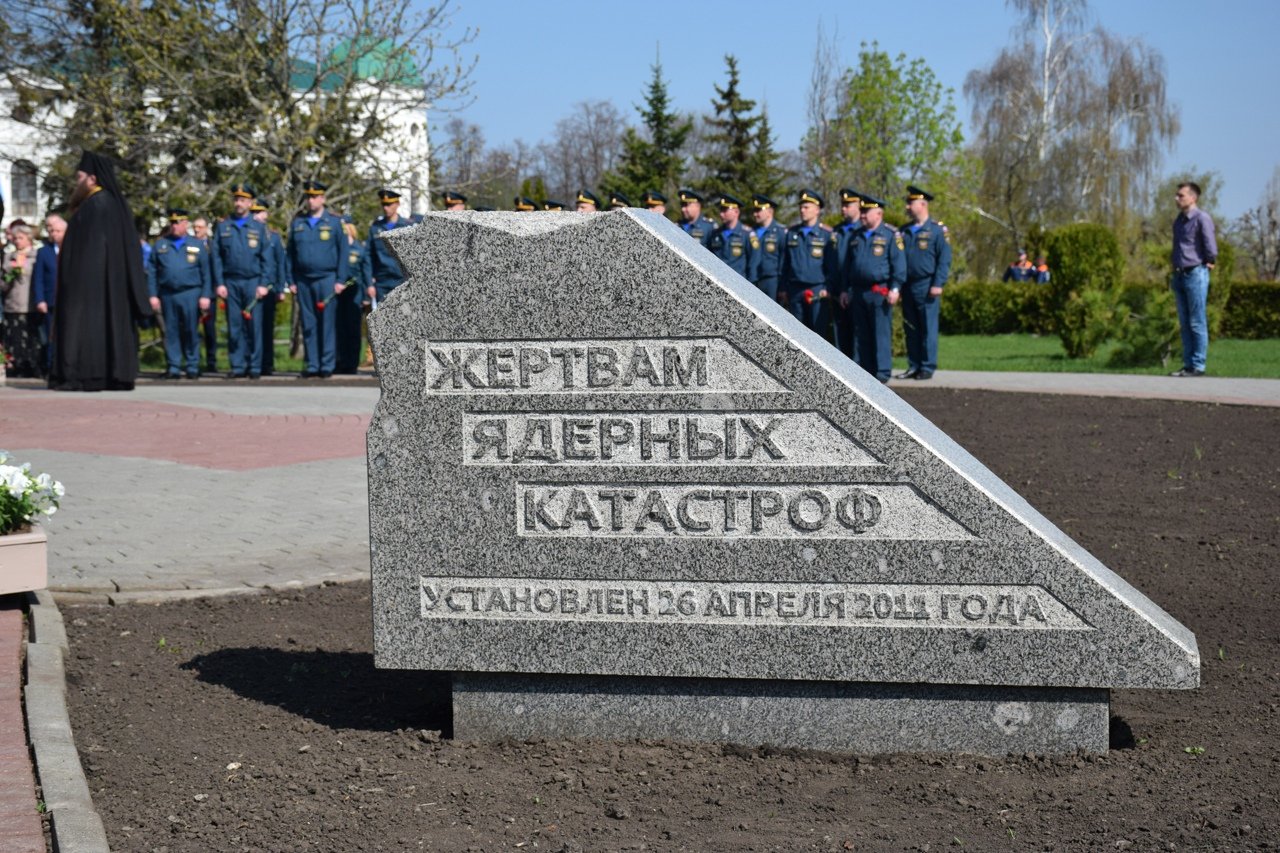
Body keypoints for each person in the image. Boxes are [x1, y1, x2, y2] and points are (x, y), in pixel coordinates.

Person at [48, 151, 153, 391]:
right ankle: (111, 373)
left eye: (80, 177)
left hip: (89, 289)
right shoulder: (106, 204)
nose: (77, 182)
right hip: (105, 287)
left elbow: (89, 253)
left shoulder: (97, 205)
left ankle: (86, 374)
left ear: (92, 179)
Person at [287, 179, 348, 378]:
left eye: (315, 197)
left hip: (327, 279)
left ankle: (326, 365)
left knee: (327, 324)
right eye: (308, 197)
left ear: (322, 198)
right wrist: (291, 280)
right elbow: (290, 255)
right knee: (309, 324)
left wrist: (340, 279)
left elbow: (343, 252)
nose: (311, 201)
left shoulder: (333, 222)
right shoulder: (298, 223)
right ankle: (312, 364)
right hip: (303, 280)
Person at [843, 193, 905, 384]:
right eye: (861, 211)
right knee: (862, 334)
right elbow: (848, 265)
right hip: (859, 292)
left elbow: (899, 264)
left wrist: (895, 288)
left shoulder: (890, 235)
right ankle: (867, 371)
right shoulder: (856, 236)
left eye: (866, 211)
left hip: (880, 292)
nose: (862, 215)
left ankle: (883, 371)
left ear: (879, 213)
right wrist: (846, 289)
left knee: (880, 333)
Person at [210, 182, 270, 379]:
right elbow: (216, 257)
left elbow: (266, 258)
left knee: (254, 326)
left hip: (253, 282)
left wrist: (263, 283)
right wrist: (219, 283)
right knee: (234, 325)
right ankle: (237, 365)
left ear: (250, 203)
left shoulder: (259, 228)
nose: (238, 203)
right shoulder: (223, 226)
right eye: (236, 199)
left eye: (243, 200)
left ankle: (254, 366)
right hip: (231, 282)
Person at [146, 207, 211, 379]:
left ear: (185, 223)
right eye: (172, 222)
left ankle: (192, 365)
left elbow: (206, 272)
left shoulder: (196, 244)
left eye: (178, 222)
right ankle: (173, 365)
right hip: (168, 294)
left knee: (191, 330)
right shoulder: (161, 245)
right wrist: (152, 294)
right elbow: (152, 271)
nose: (174, 226)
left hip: (191, 293)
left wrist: (205, 295)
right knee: (171, 331)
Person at [896, 186, 952, 381]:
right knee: (911, 328)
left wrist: (938, 283)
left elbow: (944, 259)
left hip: (927, 285)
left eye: (910, 203)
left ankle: (927, 367)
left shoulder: (937, 230)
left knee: (927, 328)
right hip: (908, 285)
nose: (907, 206)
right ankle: (914, 365)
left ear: (922, 204)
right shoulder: (903, 231)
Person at [1170, 181, 1218, 377]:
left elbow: (1210, 245)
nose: (1177, 198)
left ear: (1193, 197)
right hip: (1179, 274)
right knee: (1184, 321)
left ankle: (1198, 365)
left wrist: (1210, 260)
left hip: (1195, 272)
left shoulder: (1201, 218)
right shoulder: (1179, 221)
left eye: (1181, 195)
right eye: (1177, 195)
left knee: (1197, 321)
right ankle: (1188, 364)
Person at [780, 189, 839, 340]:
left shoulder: (826, 235)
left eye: (806, 207)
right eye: (801, 207)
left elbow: (832, 266)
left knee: (817, 335)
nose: (802, 210)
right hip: (795, 290)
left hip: (817, 290)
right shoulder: (791, 233)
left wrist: (829, 287)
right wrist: (783, 288)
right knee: (796, 336)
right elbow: (785, 264)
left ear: (817, 210)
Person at [251, 198, 288, 375]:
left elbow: (280, 263)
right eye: (253, 213)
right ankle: (250, 363)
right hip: (251, 285)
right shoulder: (247, 235)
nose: (256, 216)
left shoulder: (272, 236)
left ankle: (267, 363)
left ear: (266, 214)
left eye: (259, 212)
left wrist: (281, 288)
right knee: (249, 328)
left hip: (269, 288)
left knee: (266, 327)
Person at [1, 223, 40, 376]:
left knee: (31, 338)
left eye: (21, 238)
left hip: (30, 304)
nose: (17, 241)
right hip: (12, 305)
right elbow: (3, 283)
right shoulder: (8, 257)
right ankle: (15, 367)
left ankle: (33, 366)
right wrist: (12, 269)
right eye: (15, 238)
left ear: (29, 239)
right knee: (14, 339)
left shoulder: (36, 256)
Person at [830, 188, 863, 359]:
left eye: (848, 204)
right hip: (838, 289)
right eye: (843, 205)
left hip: (854, 289)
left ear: (858, 205)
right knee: (841, 334)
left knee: (858, 333)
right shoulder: (837, 231)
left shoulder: (863, 230)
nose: (844, 208)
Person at [367, 188, 414, 306]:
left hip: (402, 280)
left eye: (389, 204)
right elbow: (368, 256)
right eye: (383, 204)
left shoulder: (407, 227)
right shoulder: (375, 228)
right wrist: (369, 282)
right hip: (382, 281)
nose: (385, 208)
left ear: (397, 204)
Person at [335, 216, 370, 374]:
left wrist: (365, 296)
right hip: (338, 292)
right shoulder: (336, 248)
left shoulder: (358, 248)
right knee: (339, 328)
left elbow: (364, 273)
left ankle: (352, 362)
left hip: (355, 292)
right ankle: (339, 361)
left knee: (353, 328)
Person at [32, 213, 65, 370]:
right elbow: (37, 278)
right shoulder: (44, 252)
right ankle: (51, 366)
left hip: (69, 301)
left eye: (58, 231)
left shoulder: (73, 250)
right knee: (50, 336)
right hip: (50, 300)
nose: (54, 234)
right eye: (51, 231)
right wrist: (40, 300)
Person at [707, 193, 758, 282]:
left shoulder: (747, 234)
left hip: (739, 282)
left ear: (736, 212)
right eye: (721, 210)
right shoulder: (715, 233)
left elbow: (753, 262)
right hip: (717, 280)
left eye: (725, 210)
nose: (721, 214)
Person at [192, 216, 218, 373]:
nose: (196, 230)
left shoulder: (212, 246)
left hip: (210, 293)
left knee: (209, 328)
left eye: (200, 227)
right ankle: (194, 361)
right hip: (193, 292)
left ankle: (211, 361)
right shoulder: (190, 245)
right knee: (191, 328)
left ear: (207, 228)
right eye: (195, 227)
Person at [750, 194, 787, 303]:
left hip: (772, 281)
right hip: (754, 280)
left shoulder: (780, 232)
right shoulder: (750, 232)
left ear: (770, 212)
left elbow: (783, 260)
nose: (755, 214)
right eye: (754, 210)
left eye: (759, 210)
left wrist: (783, 285)